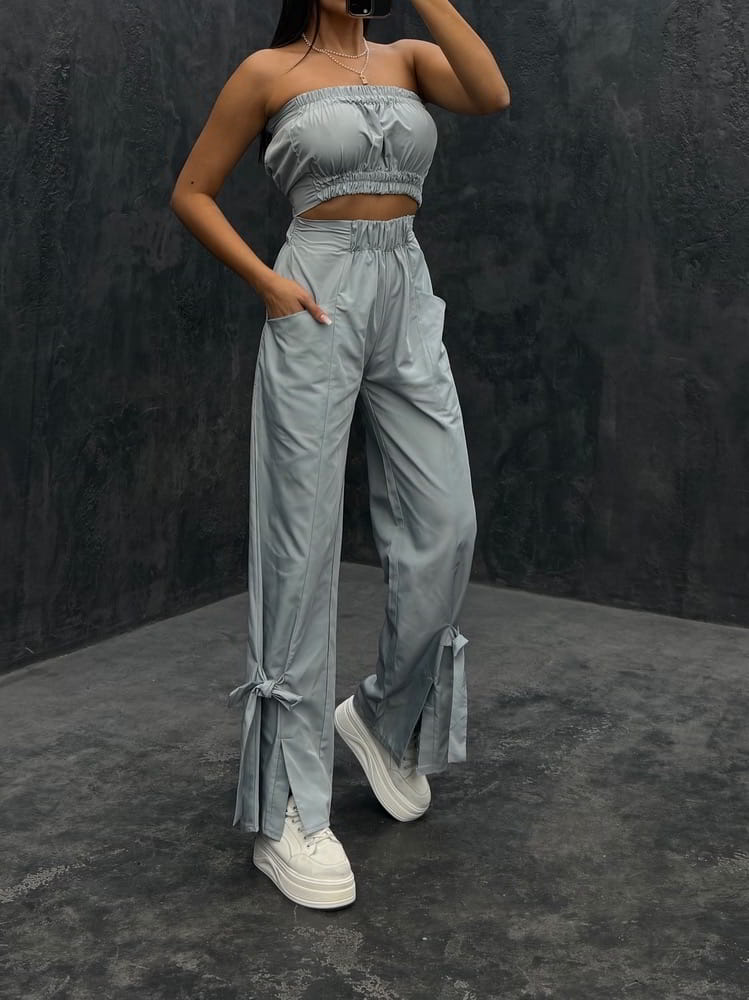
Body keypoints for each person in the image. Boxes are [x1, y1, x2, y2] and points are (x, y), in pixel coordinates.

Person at [170, 0, 510, 910]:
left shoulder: (410, 58)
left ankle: (383, 720)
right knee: (302, 543)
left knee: (446, 524)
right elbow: (192, 190)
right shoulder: (266, 73)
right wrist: (269, 283)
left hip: (405, 284)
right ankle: (287, 807)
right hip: (314, 289)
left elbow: (490, 93)